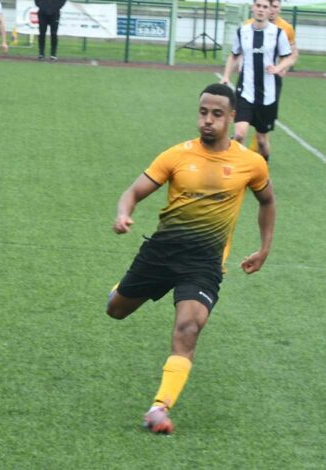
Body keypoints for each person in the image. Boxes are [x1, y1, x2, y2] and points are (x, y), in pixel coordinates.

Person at [106, 83, 276, 434]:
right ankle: (120, 289)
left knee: (188, 328)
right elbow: (133, 191)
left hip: (204, 263)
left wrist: (264, 248)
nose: (208, 120)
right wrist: (123, 213)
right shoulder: (177, 155)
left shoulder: (250, 163)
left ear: (231, 117)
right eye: (203, 112)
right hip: (161, 253)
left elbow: (267, 201)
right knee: (116, 310)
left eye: (216, 114)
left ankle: (159, 408)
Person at [221, 0, 294, 162]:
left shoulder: (278, 33)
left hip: (267, 95)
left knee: (262, 140)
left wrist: (278, 68)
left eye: (265, 7)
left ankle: (263, 166)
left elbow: (288, 58)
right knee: (239, 134)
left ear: (270, 10)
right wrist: (226, 76)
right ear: (252, 7)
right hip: (245, 91)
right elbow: (234, 55)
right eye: (258, 6)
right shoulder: (242, 31)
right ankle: (236, 168)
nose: (261, 10)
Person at [244, 0, 298, 154]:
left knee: (263, 124)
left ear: (279, 8)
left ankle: (255, 152)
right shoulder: (249, 25)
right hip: (250, 79)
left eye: (275, 7)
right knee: (243, 117)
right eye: (270, 6)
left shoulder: (286, 28)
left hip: (272, 81)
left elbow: (293, 53)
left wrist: (281, 68)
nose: (272, 10)